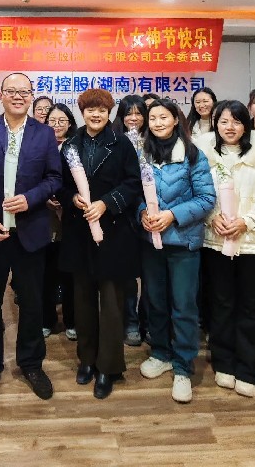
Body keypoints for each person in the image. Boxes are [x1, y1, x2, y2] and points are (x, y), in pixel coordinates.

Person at [0, 72, 63, 407]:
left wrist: (30, 199)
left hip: (30, 233)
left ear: (32, 95)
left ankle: (31, 364)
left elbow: (54, 178)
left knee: (32, 304)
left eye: (24, 91)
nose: (18, 96)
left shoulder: (44, 133)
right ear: (1, 95)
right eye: (12, 91)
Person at [199, 100, 255, 398]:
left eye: (236, 121)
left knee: (250, 306)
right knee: (221, 303)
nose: (230, 127)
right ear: (215, 125)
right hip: (215, 242)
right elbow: (198, 195)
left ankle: (249, 369)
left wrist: (247, 221)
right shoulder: (205, 158)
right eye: (224, 121)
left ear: (246, 126)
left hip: (254, 246)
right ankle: (223, 363)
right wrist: (212, 218)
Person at [56, 89, 142, 399]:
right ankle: (87, 360)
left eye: (102, 110)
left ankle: (109, 366)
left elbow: (133, 184)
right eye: (91, 110)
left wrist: (106, 203)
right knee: (82, 300)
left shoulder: (122, 144)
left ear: (109, 113)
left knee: (112, 304)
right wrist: (72, 199)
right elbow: (60, 185)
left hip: (113, 233)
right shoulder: (70, 145)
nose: (96, 115)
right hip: (79, 232)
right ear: (82, 112)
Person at [136, 98, 216, 404]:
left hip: (183, 242)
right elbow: (134, 193)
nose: (157, 123)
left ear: (175, 120)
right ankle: (161, 353)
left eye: (163, 117)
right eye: (152, 118)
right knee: (155, 301)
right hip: (151, 243)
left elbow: (206, 199)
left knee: (183, 306)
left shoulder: (193, 155)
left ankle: (183, 367)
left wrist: (172, 215)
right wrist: (142, 213)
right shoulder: (142, 154)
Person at [113, 94, 148, 346]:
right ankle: (130, 321)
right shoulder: (115, 141)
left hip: (152, 214)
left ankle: (148, 320)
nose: (133, 118)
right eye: (128, 113)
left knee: (150, 274)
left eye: (138, 113)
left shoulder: (155, 140)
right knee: (126, 274)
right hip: (124, 214)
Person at [44, 103, 77, 340]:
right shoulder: (39, 145)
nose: (57, 125)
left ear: (70, 123)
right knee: (46, 273)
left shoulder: (76, 147)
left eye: (61, 121)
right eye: (52, 121)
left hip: (71, 217)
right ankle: (46, 319)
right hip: (43, 218)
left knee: (70, 274)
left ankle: (72, 320)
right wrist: (45, 198)